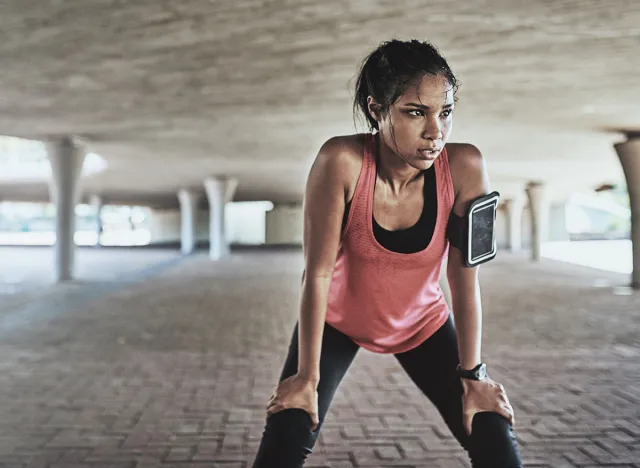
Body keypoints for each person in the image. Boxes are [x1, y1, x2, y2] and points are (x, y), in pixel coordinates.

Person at [251, 39, 523, 468]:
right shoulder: (341, 160)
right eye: (415, 112)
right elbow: (317, 274)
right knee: (288, 430)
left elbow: (464, 278)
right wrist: (305, 377)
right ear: (377, 110)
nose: (435, 131)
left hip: (423, 322)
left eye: (445, 112)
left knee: (491, 432)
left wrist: (474, 376)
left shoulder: (467, 166)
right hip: (338, 321)